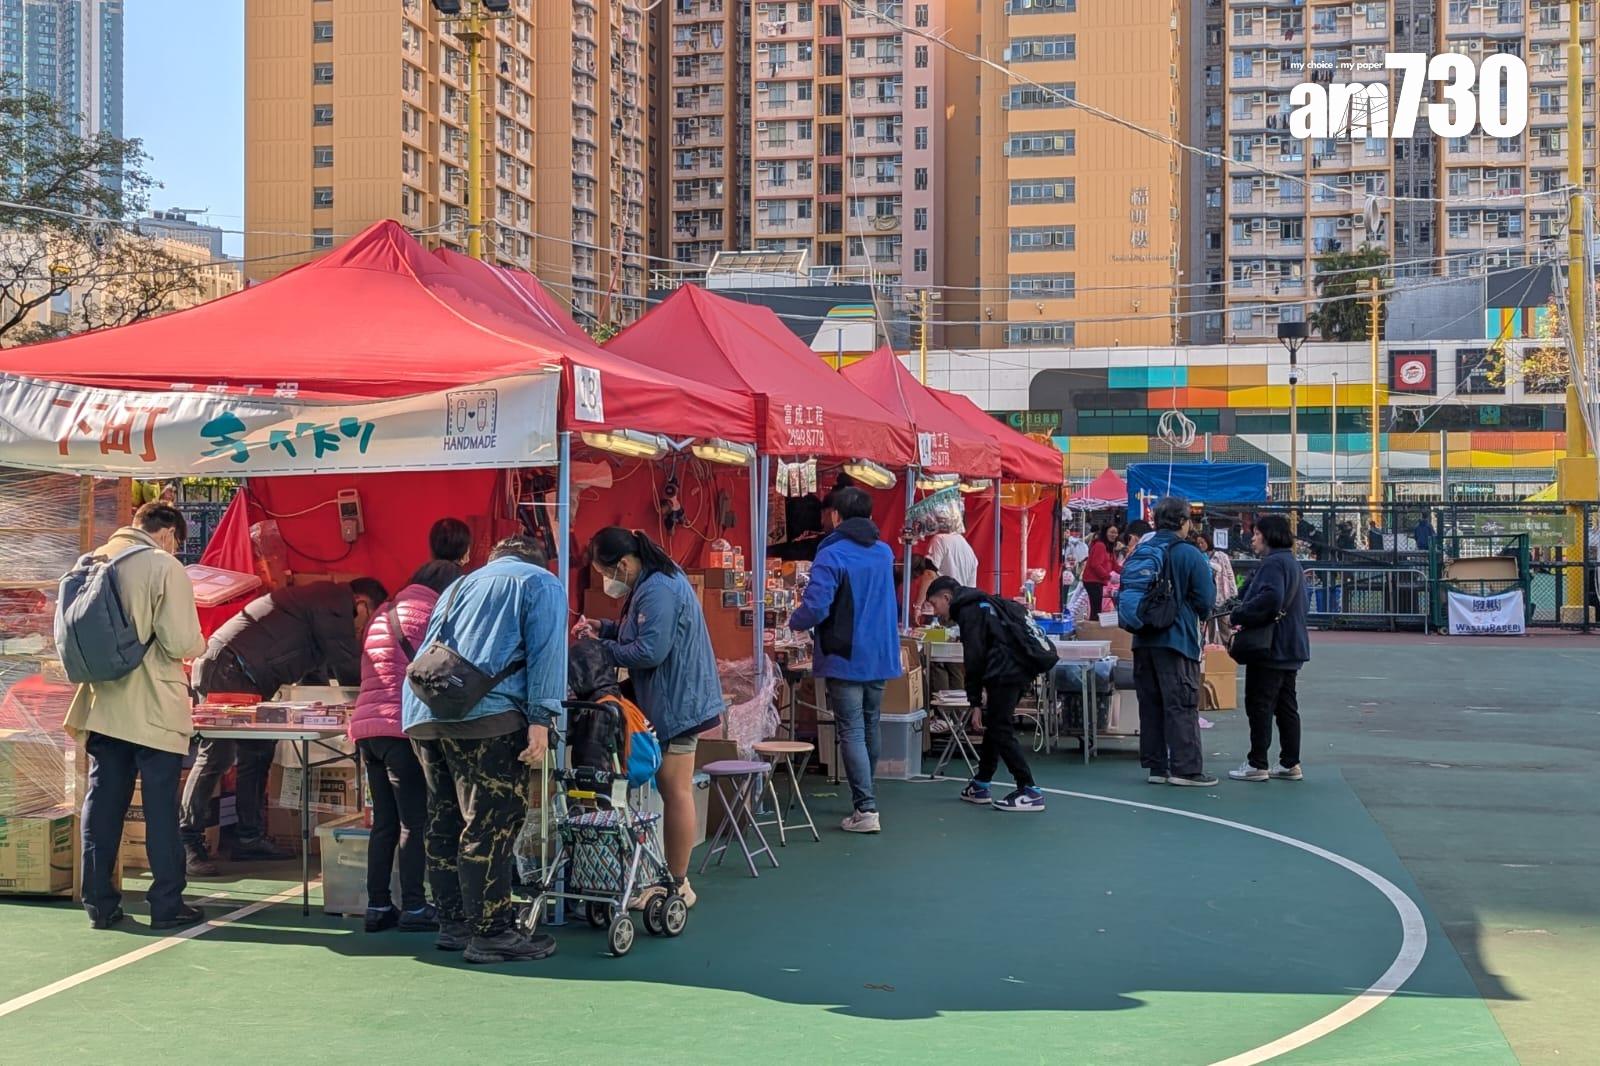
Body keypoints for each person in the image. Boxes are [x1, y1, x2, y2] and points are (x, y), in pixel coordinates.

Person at [403, 535, 562, 965]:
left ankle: (453, 924)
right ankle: (491, 932)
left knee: (444, 819)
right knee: (491, 822)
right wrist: (542, 720)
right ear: (540, 559)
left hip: (424, 712)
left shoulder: (458, 585)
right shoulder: (540, 583)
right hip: (486, 716)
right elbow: (548, 653)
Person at [65, 503, 210, 930]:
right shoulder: (162, 566)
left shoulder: (90, 560)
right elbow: (181, 640)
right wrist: (198, 644)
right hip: (154, 707)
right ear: (167, 534)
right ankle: (166, 904)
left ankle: (99, 904)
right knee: (160, 808)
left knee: (103, 802)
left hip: (102, 705)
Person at [182, 576, 389, 876]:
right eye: (366, 625)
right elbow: (346, 665)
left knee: (258, 752)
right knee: (217, 754)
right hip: (228, 668)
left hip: (243, 672)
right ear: (362, 605)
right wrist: (374, 698)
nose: (361, 633)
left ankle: (249, 837)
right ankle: (187, 839)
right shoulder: (333, 603)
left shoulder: (319, 606)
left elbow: (319, 673)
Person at [574, 527, 723, 908]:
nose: (608, 581)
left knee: (675, 791)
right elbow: (638, 633)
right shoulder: (653, 582)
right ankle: (669, 878)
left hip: (677, 704)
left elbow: (649, 651)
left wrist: (601, 649)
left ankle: (677, 884)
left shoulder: (658, 589)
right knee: (671, 791)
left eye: (607, 573)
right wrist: (604, 628)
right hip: (670, 699)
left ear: (623, 564)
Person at [349, 560, 461, 933]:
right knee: (415, 820)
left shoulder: (384, 613)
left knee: (384, 821)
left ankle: (378, 905)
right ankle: (414, 905)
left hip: (368, 731)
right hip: (402, 729)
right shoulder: (432, 614)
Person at [789, 486, 902, 834]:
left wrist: (794, 621)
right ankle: (867, 796)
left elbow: (817, 606)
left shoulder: (831, 555)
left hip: (845, 653)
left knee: (851, 728)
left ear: (835, 516)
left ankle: (865, 807)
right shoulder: (883, 552)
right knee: (869, 724)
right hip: (880, 651)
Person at [924, 577, 1046, 812]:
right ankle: (982, 782)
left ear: (947, 598)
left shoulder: (970, 613)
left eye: (934, 603)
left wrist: (975, 701)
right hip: (1020, 667)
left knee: (1000, 726)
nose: (934, 611)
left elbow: (974, 659)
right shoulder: (983, 603)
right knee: (996, 724)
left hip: (1006, 671)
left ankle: (1029, 789)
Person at [1129, 496, 1217, 787]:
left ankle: (1157, 766)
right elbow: (1206, 599)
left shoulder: (1143, 549)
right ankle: (1187, 768)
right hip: (1177, 638)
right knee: (1180, 703)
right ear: (1183, 521)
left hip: (1143, 638)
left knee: (1150, 704)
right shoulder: (1189, 554)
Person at [1227, 515, 1310, 783]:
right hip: (1291, 645)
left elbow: (1270, 599)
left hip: (1270, 646)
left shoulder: (1273, 564)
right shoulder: (1292, 564)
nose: (1252, 538)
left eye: (1256, 533)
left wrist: (1238, 614)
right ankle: (1289, 761)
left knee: (1259, 703)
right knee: (1286, 705)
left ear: (1268, 535)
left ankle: (1257, 762)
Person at [926, 512, 979, 587]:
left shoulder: (940, 539)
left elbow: (929, 574)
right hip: (959, 597)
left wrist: (920, 599)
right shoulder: (970, 551)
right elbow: (971, 589)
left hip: (941, 596)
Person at [1081, 525, 1120, 619]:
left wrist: (1128, 571)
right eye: (1111, 532)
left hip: (1098, 581)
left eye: (1116, 532)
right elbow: (1095, 565)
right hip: (1092, 580)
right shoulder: (1100, 545)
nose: (1114, 535)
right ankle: (1093, 628)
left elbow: (1115, 565)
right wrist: (1109, 577)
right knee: (1096, 607)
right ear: (1105, 533)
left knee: (1097, 607)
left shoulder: (1109, 548)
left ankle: (1094, 627)